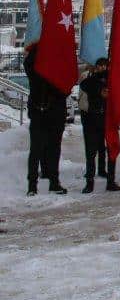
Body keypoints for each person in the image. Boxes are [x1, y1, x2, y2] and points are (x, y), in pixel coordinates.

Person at [23, 48, 68, 196]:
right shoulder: (36, 71)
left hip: (56, 114)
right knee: (36, 150)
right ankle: (32, 186)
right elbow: (28, 64)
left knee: (54, 150)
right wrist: (41, 47)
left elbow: (66, 88)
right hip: (38, 113)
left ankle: (54, 183)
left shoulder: (59, 67)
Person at [78, 58, 112, 193]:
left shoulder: (110, 79)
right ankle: (89, 181)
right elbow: (84, 85)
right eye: (100, 66)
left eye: (105, 66)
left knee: (103, 147)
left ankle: (104, 170)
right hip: (90, 116)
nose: (102, 68)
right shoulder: (89, 79)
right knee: (90, 150)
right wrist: (95, 76)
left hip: (105, 118)